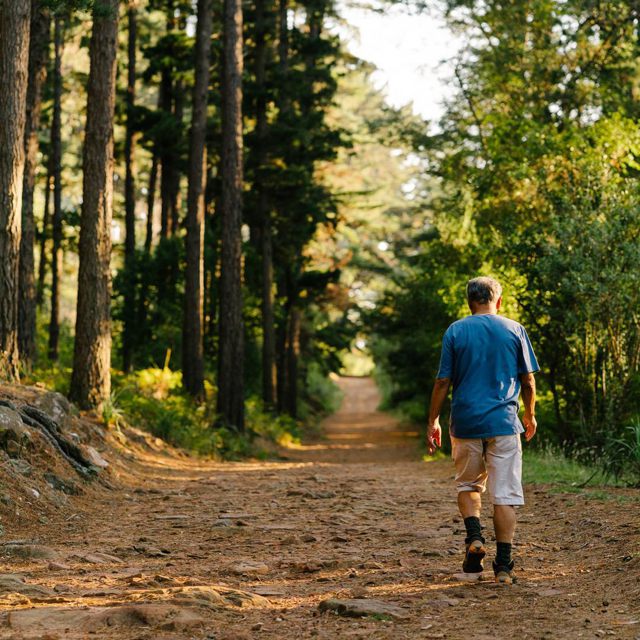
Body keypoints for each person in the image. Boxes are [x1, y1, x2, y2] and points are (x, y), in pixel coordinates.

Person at [426, 276, 539, 584]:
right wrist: (529, 414)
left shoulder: (456, 330)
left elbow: (442, 381)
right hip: (504, 424)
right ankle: (503, 567)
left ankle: (475, 538)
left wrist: (433, 420)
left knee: (468, 486)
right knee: (504, 496)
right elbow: (528, 381)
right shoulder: (515, 330)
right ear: (497, 301)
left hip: (465, 423)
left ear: (469, 302)